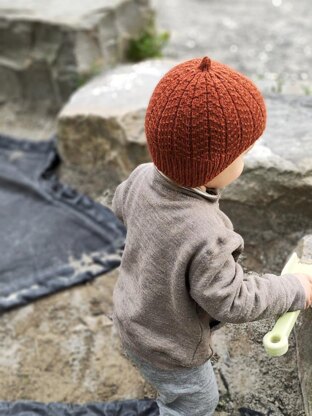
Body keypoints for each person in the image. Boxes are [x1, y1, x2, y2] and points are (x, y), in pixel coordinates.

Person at [110, 56, 312, 416]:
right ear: (213, 166)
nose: (246, 159)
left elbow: (119, 211)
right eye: (243, 152)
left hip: (130, 315)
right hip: (171, 347)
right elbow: (233, 300)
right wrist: (295, 288)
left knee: (164, 380)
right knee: (198, 403)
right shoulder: (207, 233)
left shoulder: (141, 176)